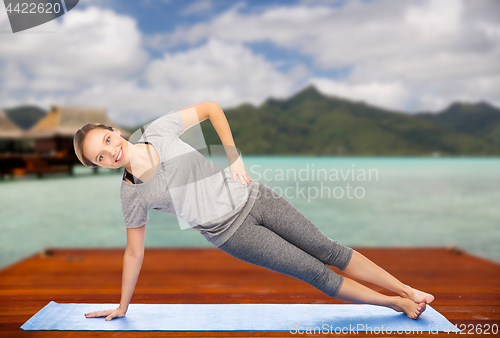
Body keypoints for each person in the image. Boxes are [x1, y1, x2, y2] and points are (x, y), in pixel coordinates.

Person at [73, 101, 434, 322]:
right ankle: (394, 304)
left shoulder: (159, 130)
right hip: (232, 234)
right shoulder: (131, 194)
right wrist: (122, 306)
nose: (110, 152)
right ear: (99, 166)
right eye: (99, 157)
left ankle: (408, 290)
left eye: (106, 141)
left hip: (257, 197)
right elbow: (134, 251)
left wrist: (233, 155)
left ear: (114, 131)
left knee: (329, 249)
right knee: (315, 273)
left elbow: (211, 108)